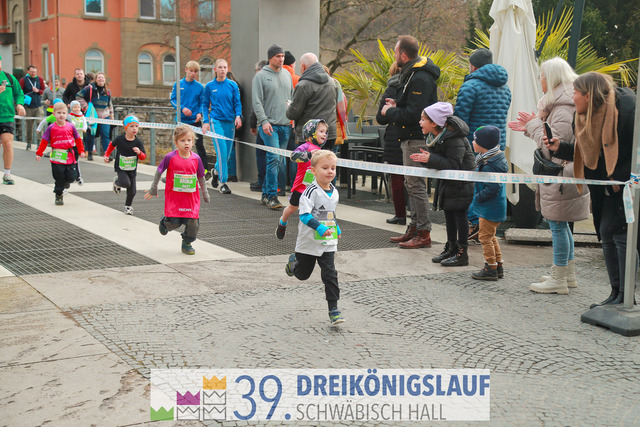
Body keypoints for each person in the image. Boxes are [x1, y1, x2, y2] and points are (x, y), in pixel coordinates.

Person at [545, 72, 637, 307]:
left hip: (625, 187)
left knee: (621, 236)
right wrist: (561, 147)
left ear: (588, 95)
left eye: (575, 92)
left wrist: (620, 178)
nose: (572, 97)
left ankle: (626, 296)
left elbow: (634, 149)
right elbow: (586, 152)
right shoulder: (582, 115)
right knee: (606, 233)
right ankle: (616, 294)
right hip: (603, 187)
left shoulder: (627, 108)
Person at [509, 57, 590, 293]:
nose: (539, 80)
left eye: (542, 76)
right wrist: (530, 127)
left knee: (557, 226)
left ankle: (559, 278)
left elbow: (553, 146)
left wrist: (534, 125)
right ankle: (567, 274)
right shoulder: (564, 104)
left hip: (560, 176)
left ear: (551, 78)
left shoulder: (562, 107)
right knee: (561, 225)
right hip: (564, 175)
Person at [381, 35, 440, 249]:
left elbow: (415, 114)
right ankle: (414, 228)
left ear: (403, 55)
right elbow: (413, 107)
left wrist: (390, 111)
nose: (394, 56)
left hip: (416, 138)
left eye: (396, 52)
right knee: (411, 184)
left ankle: (423, 232)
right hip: (409, 137)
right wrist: (397, 104)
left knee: (416, 186)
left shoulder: (420, 77)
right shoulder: (412, 74)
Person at [453, 48, 511, 242]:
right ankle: (486, 226)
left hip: (474, 145)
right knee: (492, 186)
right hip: (497, 145)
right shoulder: (505, 87)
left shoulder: (470, 86)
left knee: (472, 186)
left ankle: (474, 223)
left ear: (472, 66)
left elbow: (460, 121)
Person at [410, 102, 475, 266]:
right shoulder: (436, 137)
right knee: (449, 215)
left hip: (461, 183)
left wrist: (430, 159)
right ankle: (451, 248)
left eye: (423, 119)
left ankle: (462, 253)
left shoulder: (454, 138)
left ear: (434, 122)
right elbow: (440, 162)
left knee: (460, 216)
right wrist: (426, 160)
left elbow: (453, 164)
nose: (420, 122)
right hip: (448, 183)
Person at [284, 150, 344, 325]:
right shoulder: (310, 192)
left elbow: (330, 214)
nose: (330, 171)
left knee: (330, 274)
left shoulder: (335, 192)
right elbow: (304, 216)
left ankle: (334, 309)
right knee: (303, 275)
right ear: (313, 171)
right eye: (325, 168)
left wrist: (336, 227)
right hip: (308, 241)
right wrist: (319, 227)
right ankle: (293, 263)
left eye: (333, 168)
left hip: (327, 242)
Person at [145, 125, 210, 255]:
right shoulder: (170, 157)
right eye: (182, 140)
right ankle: (165, 223)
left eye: (189, 140)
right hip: (174, 199)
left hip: (191, 200)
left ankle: (187, 243)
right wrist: (153, 188)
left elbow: (201, 177)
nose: (186, 143)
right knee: (174, 223)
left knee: (193, 224)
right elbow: (159, 171)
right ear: (176, 143)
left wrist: (205, 193)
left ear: (193, 142)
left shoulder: (196, 159)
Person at [252, 44, 293, 209]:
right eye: (278, 56)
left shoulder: (287, 75)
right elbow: (257, 102)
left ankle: (265, 194)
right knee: (273, 159)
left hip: (285, 125)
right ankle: (271, 196)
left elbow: (291, 99)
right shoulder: (260, 76)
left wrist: (292, 119)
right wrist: (263, 121)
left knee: (279, 161)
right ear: (270, 58)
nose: (281, 59)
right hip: (269, 125)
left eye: (282, 56)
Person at [276, 119, 328, 240]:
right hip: (301, 187)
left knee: (314, 211)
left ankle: (314, 234)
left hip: (314, 188)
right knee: (292, 208)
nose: (324, 134)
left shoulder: (321, 151)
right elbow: (293, 156)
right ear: (311, 133)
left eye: (325, 132)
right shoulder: (306, 146)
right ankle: (282, 223)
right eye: (321, 131)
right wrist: (309, 155)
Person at [468, 126, 508, 280]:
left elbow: (492, 188)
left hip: (489, 207)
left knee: (484, 238)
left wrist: (477, 197)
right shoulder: (493, 158)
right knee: (491, 236)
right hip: (494, 206)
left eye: (475, 140)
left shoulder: (489, 164)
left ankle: (490, 267)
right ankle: (498, 265)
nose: (472, 142)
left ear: (483, 144)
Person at [201, 58, 242, 195]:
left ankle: (216, 171)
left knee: (227, 154)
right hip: (216, 121)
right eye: (220, 67)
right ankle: (223, 183)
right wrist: (206, 121)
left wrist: (238, 116)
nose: (223, 70)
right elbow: (204, 104)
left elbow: (237, 102)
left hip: (230, 122)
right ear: (215, 69)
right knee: (222, 152)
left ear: (227, 69)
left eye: (225, 67)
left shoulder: (232, 85)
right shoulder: (209, 86)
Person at [35, 102, 85, 205]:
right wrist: (39, 153)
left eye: (63, 113)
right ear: (54, 114)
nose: (61, 115)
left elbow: (78, 139)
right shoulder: (51, 128)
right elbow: (44, 141)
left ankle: (65, 183)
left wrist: (81, 151)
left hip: (69, 155)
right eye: (59, 113)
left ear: (67, 114)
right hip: (57, 156)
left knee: (72, 176)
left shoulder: (71, 127)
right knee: (59, 176)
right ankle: (58, 195)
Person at [286, 53, 338, 150]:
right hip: (329, 134)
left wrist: (289, 106)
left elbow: (293, 114)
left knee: (308, 160)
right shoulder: (332, 82)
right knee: (326, 160)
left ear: (303, 66)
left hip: (309, 135)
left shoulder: (303, 85)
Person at [376, 61, 406, 225]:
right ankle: (416, 214)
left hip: (394, 138)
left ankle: (400, 214)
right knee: (415, 179)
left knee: (397, 178)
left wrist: (390, 112)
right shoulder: (414, 86)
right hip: (414, 136)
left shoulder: (391, 89)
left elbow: (380, 118)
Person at [170, 61, 210, 180]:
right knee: (179, 146)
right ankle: (175, 171)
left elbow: (202, 103)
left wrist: (199, 113)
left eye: (195, 71)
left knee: (199, 145)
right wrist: (182, 108)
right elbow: (173, 100)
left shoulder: (199, 87)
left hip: (195, 121)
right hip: (181, 121)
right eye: (191, 71)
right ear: (186, 70)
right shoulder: (178, 84)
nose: (193, 73)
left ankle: (204, 171)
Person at [104, 115, 147, 215]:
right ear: (126, 128)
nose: (134, 129)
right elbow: (111, 146)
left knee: (132, 191)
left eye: (136, 126)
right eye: (131, 126)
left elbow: (143, 157)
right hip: (121, 167)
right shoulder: (119, 139)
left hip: (132, 169)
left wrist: (139, 152)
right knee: (125, 183)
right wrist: (106, 155)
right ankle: (117, 182)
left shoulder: (138, 142)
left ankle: (128, 206)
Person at [0, 54, 26, 185]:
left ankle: (7, 174)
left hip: (7, 116)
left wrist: (20, 104)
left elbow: (19, 93)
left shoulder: (9, 78)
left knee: (8, 144)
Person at [76, 72, 114, 159]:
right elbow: (78, 96)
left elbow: (110, 104)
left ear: (105, 80)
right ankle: (89, 152)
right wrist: (86, 106)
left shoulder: (108, 91)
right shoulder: (89, 88)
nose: (101, 79)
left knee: (105, 135)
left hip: (104, 116)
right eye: (99, 78)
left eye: (102, 78)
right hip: (92, 116)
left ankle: (107, 154)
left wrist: (112, 116)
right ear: (96, 80)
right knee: (91, 134)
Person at [249, 60, 269, 192]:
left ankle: (263, 182)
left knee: (262, 154)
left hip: (263, 124)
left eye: (256, 70)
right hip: (277, 123)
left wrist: (253, 124)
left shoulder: (259, 82)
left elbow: (256, 106)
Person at [19, 65, 45, 150]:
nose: (34, 73)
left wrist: (38, 91)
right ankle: (29, 142)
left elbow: (43, 91)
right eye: (32, 72)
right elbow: (19, 91)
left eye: (35, 72)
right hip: (28, 107)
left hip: (38, 106)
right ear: (28, 72)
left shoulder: (40, 79)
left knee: (40, 124)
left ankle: (39, 142)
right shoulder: (23, 80)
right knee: (29, 126)